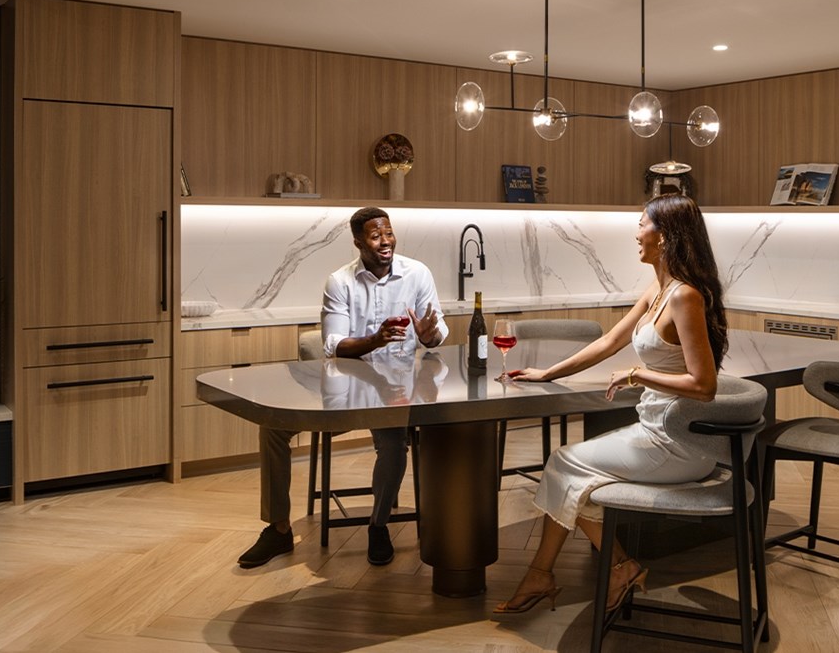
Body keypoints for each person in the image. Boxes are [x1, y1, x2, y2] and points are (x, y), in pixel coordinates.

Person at [494, 194, 728, 614]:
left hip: (681, 444)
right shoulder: (658, 290)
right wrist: (548, 373)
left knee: (563, 464)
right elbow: (607, 342)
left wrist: (637, 375)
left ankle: (608, 567)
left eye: (642, 223)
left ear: (666, 235)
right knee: (572, 474)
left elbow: (704, 385)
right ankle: (554, 573)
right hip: (655, 431)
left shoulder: (684, 297)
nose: (636, 232)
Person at [238, 206, 448, 569]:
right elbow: (333, 345)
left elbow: (436, 328)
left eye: (389, 233)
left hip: (396, 390)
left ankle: (378, 525)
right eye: (375, 236)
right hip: (344, 389)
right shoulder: (340, 281)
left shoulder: (418, 274)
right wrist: (375, 340)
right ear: (358, 242)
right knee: (273, 428)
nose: (386, 242)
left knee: (395, 446)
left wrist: (431, 336)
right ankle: (279, 528)